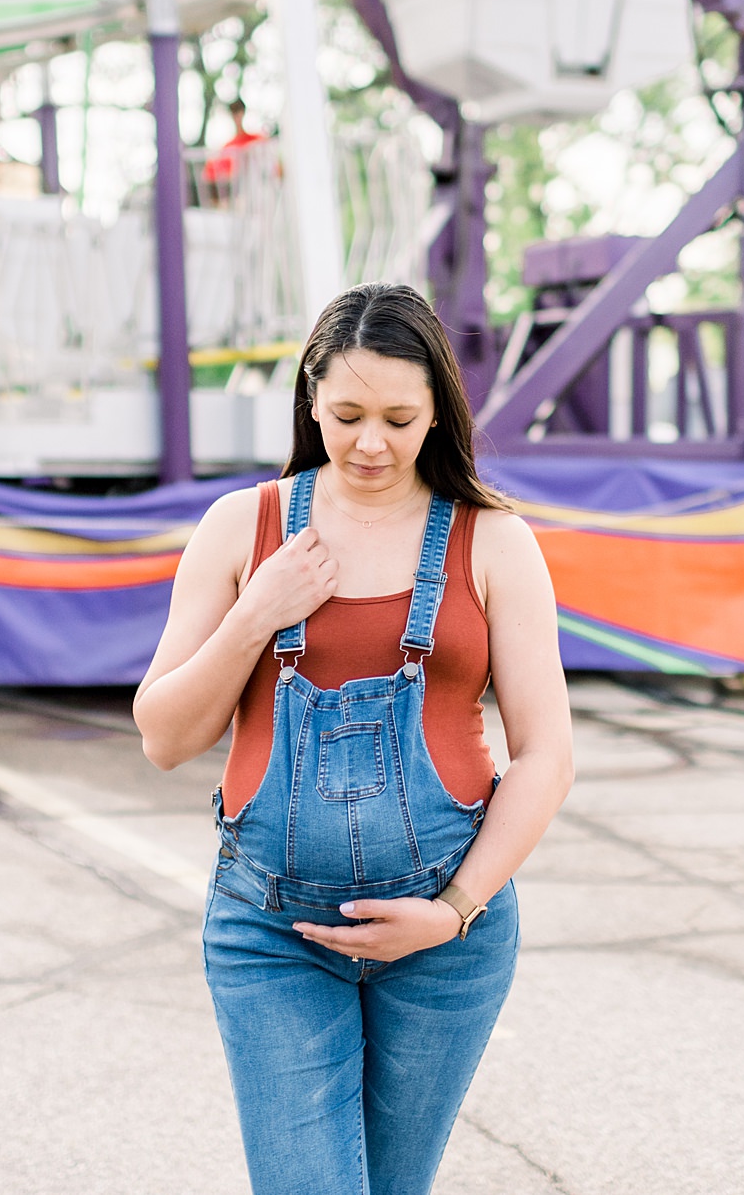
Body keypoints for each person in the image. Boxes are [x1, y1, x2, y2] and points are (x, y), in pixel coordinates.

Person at [136, 283, 573, 1195]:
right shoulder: (241, 528)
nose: (371, 443)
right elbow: (166, 737)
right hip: (271, 932)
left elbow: (545, 755)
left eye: (399, 419)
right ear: (308, 397)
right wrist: (257, 613)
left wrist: (452, 910)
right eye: (346, 414)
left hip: (445, 939)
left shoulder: (492, 541)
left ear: (438, 416)